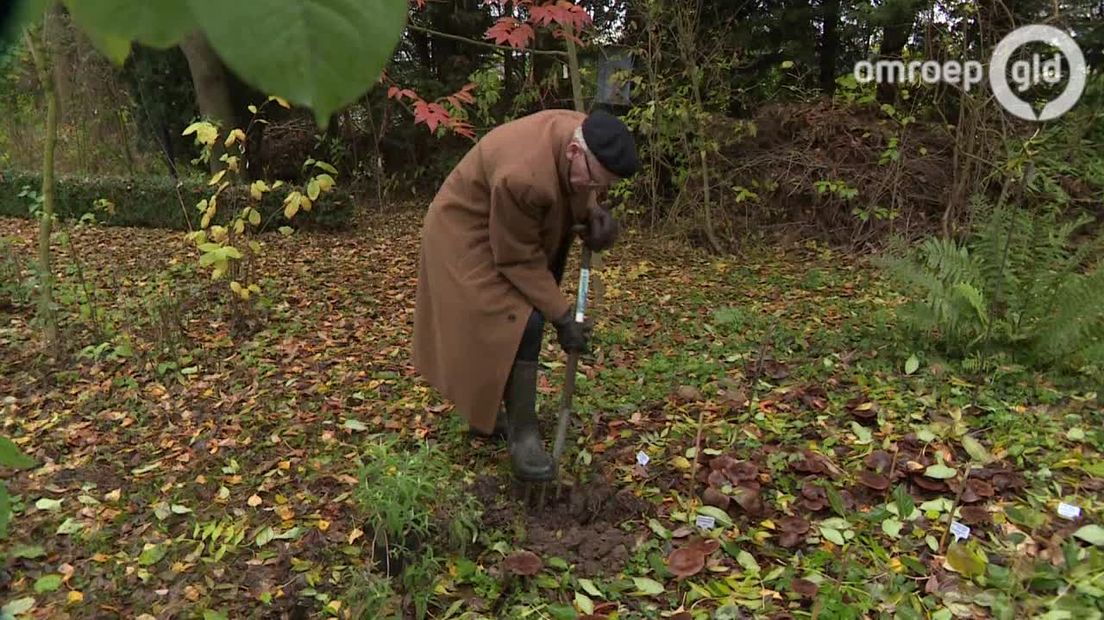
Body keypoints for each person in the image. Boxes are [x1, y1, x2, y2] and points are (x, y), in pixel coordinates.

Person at [412, 108, 639, 482]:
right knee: (520, 321)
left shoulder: (579, 135)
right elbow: (517, 258)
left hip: (499, 228)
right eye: (596, 183)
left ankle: (488, 416)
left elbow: (576, 190)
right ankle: (524, 435)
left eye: (604, 187)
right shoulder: (523, 177)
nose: (597, 191)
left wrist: (593, 214)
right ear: (574, 153)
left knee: (519, 319)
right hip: (462, 235)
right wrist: (564, 318)